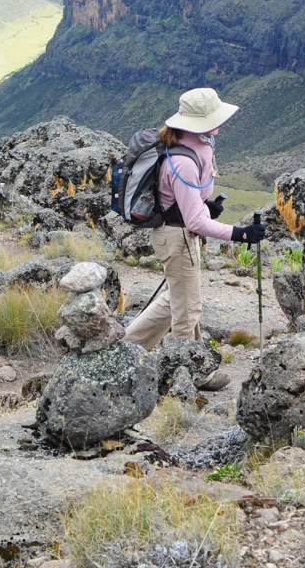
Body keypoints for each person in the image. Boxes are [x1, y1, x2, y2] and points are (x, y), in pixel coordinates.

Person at [123, 88, 265, 389]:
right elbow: (195, 221)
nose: (220, 123)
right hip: (177, 239)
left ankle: (126, 350)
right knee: (187, 312)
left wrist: (204, 206)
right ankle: (185, 376)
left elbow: (190, 206)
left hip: (176, 236)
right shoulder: (184, 161)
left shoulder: (190, 144)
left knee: (177, 301)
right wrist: (240, 234)